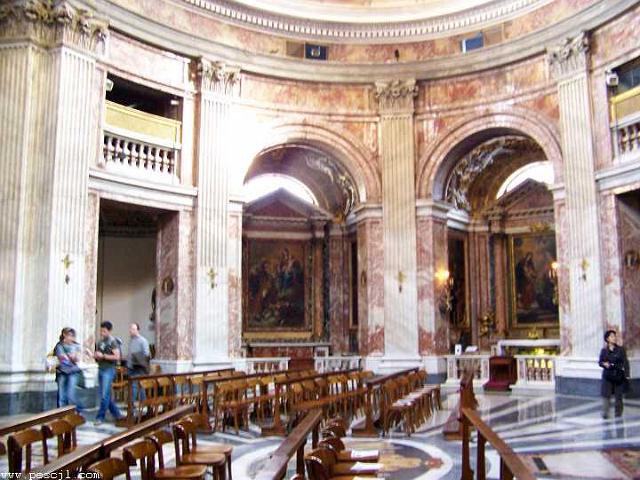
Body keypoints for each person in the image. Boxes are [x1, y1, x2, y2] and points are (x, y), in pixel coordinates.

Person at [94, 321, 125, 424]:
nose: (102, 333)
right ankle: (117, 414)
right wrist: (95, 355)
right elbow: (99, 355)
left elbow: (117, 356)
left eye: (104, 331)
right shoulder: (100, 342)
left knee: (104, 395)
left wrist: (103, 356)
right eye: (101, 331)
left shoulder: (113, 342)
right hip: (101, 368)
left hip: (109, 370)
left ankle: (100, 417)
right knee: (105, 395)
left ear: (109, 331)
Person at [599, 330, 629, 419]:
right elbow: (600, 362)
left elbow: (625, 362)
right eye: (612, 336)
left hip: (618, 375)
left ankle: (618, 413)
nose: (614, 338)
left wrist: (627, 374)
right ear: (607, 339)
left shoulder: (620, 350)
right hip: (607, 376)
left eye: (615, 336)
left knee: (618, 396)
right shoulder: (604, 350)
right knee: (606, 395)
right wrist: (604, 364)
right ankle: (605, 412)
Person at [54, 327, 82, 411]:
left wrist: (72, 357)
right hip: (62, 372)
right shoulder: (59, 345)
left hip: (73, 372)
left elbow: (77, 358)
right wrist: (70, 356)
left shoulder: (76, 346)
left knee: (71, 394)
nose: (71, 338)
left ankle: (73, 412)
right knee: (61, 395)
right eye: (69, 335)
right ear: (64, 335)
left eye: (72, 336)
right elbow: (61, 358)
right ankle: (61, 413)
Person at [127, 323, 151, 402]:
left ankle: (131, 405)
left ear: (137, 330)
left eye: (133, 329)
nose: (131, 330)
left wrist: (137, 357)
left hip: (139, 367)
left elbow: (147, 354)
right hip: (131, 366)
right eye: (130, 329)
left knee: (134, 386)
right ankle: (144, 402)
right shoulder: (131, 340)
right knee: (140, 387)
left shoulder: (143, 341)